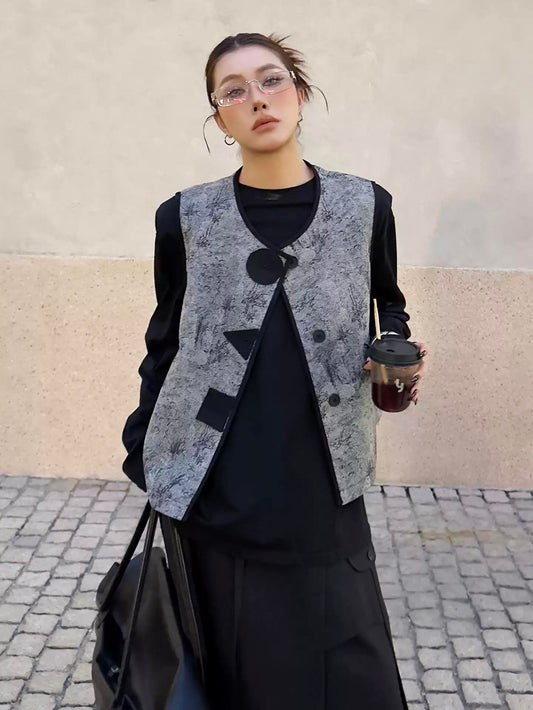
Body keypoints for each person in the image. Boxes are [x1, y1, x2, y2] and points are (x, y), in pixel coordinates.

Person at [121, 32, 428, 710]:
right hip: (216, 483)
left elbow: (389, 303)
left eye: (271, 80)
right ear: (220, 120)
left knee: (344, 652)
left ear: (300, 92)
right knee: (229, 658)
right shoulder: (183, 217)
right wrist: (144, 447)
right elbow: (165, 339)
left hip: (321, 478)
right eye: (234, 91)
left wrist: (396, 357)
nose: (257, 99)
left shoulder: (365, 205)